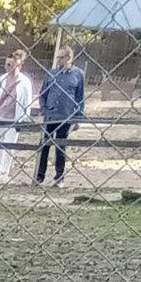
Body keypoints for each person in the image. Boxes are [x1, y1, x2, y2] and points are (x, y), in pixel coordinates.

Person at [0, 49, 36, 185]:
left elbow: (27, 102)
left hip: (13, 118)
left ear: (19, 65)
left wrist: (22, 119)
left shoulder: (24, 82)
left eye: (11, 64)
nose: (7, 67)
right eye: (6, 64)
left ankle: (5, 172)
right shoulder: (1, 80)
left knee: (9, 145)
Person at [36, 45, 86, 186]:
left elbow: (80, 97)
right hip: (51, 115)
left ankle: (59, 177)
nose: (59, 60)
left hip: (66, 116)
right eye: (58, 57)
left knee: (61, 147)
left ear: (69, 58)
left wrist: (78, 118)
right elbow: (43, 93)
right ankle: (40, 176)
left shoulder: (78, 74)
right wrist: (44, 108)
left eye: (61, 57)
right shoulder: (52, 73)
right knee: (45, 145)